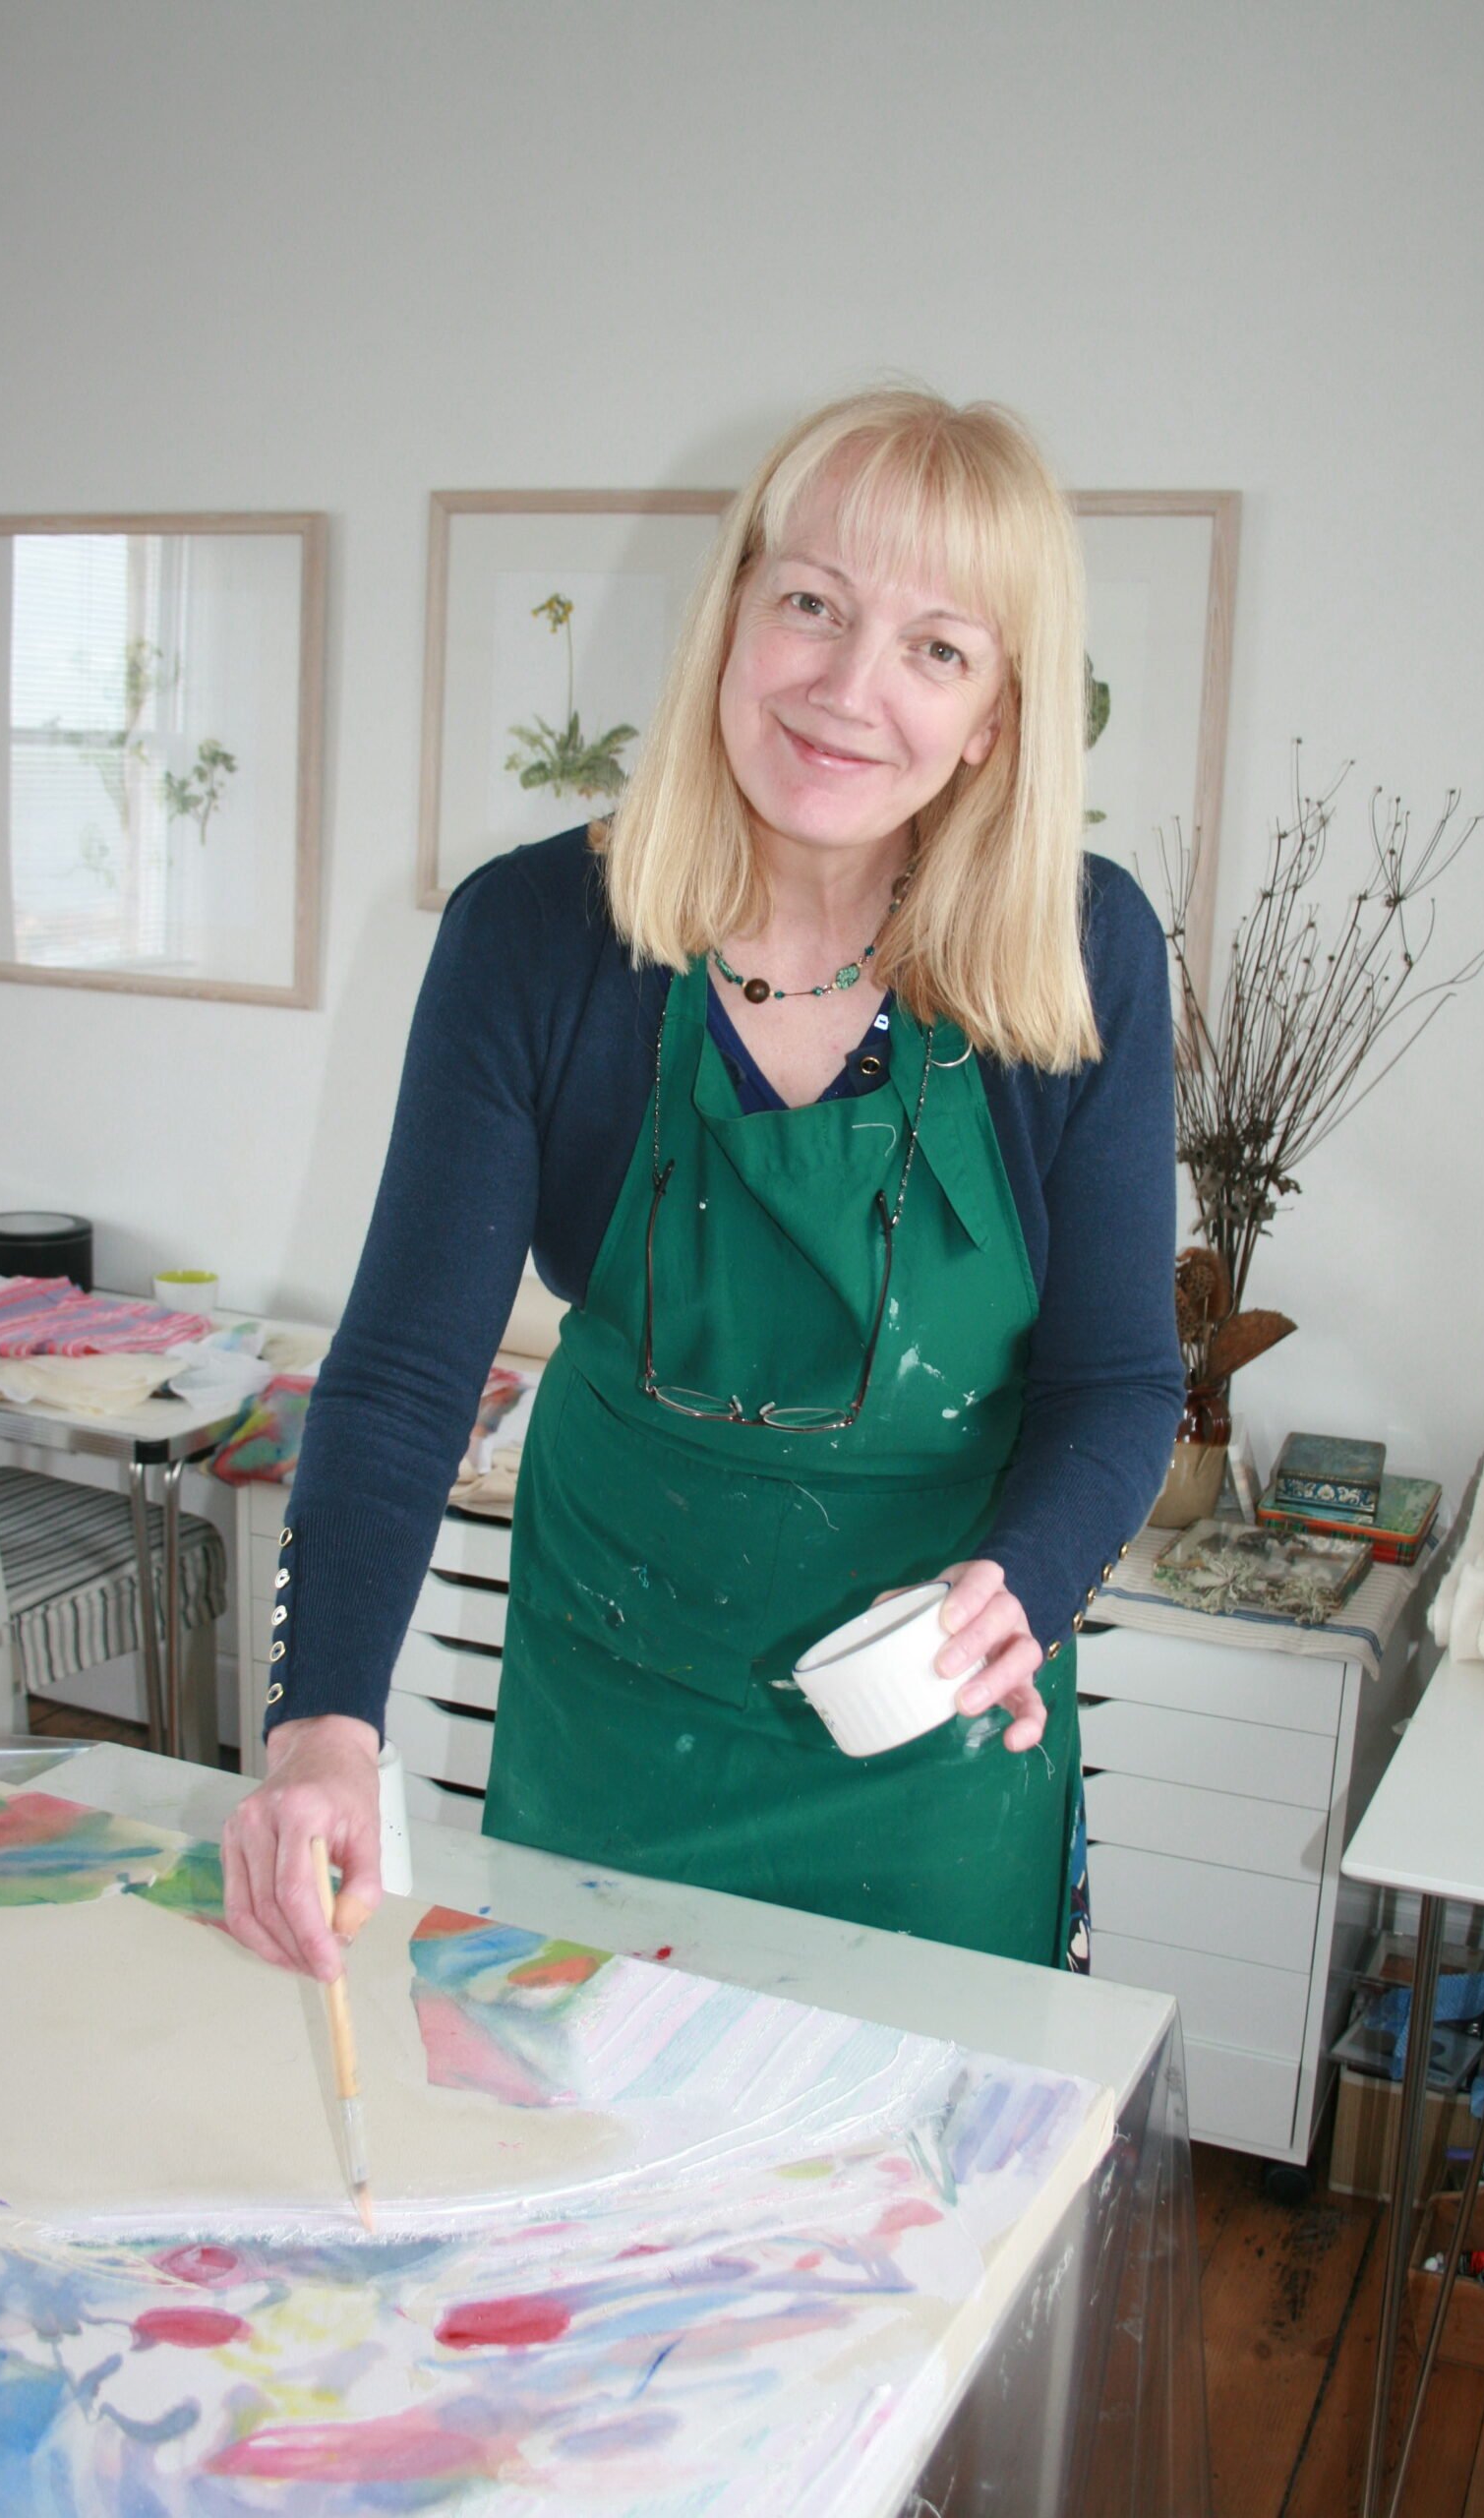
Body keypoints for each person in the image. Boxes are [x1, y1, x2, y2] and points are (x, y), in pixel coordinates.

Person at [221, 388, 1182, 1984]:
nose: (848, 690)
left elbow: (1121, 1382)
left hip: (930, 1757)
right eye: (813, 604)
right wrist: (320, 1725)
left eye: (937, 649)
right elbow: (400, 1380)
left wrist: (1029, 1580)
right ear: (733, 611)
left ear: (995, 718)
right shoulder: (537, 938)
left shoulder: (1084, 952)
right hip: (612, 1731)